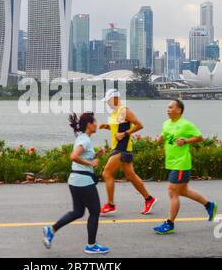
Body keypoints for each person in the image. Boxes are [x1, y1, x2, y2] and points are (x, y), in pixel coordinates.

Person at [43, 112, 110, 254]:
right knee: (95, 212)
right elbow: (73, 156)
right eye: (95, 121)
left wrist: (96, 155)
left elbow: (82, 155)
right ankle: (91, 246)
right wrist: (91, 162)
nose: (97, 124)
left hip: (75, 180)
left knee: (78, 212)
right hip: (83, 181)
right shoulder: (85, 139)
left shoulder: (83, 138)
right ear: (89, 125)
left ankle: (52, 229)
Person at [154, 100, 218, 235]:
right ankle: (209, 205)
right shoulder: (166, 123)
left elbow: (200, 137)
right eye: (167, 108)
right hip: (171, 162)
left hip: (181, 163)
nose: (168, 109)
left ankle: (169, 223)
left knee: (173, 192)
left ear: (179, 110)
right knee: (183, 191)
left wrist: (185, 141)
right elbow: (165, 135)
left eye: (171, 107)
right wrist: (160, 138)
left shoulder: (186, 124)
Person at [99, 89, 157, 216]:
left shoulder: (124, 110)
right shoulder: (116, 112)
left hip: (122, 148)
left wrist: (125, 134)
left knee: (107, 173)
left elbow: (139, 125)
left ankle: (110, 204)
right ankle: (149, 199)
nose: (107, 103)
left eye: (108, 101)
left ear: (115, 99)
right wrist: (107, 127)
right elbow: (118, 127)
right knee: (131, 176)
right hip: (119, 148)